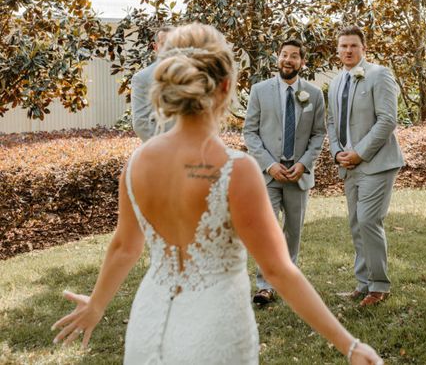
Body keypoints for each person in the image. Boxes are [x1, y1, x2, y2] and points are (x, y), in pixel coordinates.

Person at [52, 23, 383, 364]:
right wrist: (350, 345)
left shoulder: (138, 162)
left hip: (148, 323)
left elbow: (125, 247)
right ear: (225, 87)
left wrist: (96, 305)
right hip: (215, 329)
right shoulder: (235, 169)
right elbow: (280, 271)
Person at [243, 39, 326, 306]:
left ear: (302, 62)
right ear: (277, 58)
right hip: (268, 174)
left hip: (298, 175)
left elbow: (318, 134)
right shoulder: (259, 90)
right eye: (283, 55)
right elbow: (250, 132)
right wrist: (269, 164)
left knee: (293, 230)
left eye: (294, 56)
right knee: (267, 229)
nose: (287, 60)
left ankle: (288, 281)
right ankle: (265, 285)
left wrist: (303, 164)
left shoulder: (313, 94)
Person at [326, 27, 404, 307]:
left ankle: (380, 285)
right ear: (338, 50)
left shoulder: (379, 74)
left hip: (376, 163)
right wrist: (337, 153)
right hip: (348, 164)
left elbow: (387, 120)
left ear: (364, 48)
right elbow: (332, 122)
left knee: (369, 221)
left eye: (353, 46)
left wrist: (359, 153)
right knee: (356, 223)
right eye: (343, 46)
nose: (348, 50)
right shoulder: (336, 82)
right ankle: (363, 283)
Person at [131, 26, 173, 141]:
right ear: (156, 47)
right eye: (164, 44)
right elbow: (140, 123)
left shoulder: (194, 74)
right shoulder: (142, 78)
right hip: (160, 152)